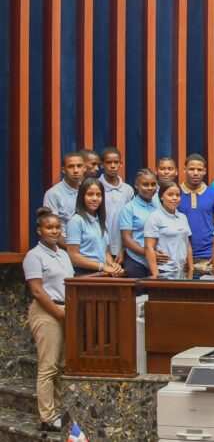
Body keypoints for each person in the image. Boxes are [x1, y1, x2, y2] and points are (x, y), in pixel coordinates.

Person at [23, 209, 73, 433]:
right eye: (49, 228)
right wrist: (59, 314)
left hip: (66, 309)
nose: (54, 231)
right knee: (48, 366)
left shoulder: (63, 253)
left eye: (57, 228)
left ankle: (60, 413)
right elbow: (37, 291)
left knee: (62, 365)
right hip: (46, 311)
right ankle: (47, 417)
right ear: (39, 230)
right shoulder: (34, 256)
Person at [177, 154, 214, 277]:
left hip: (208, 256)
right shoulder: (175, 194)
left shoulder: (213, 194)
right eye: (191, 169)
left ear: (205, 171)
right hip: (180, 256)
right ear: (184, 169)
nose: (195, 173)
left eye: (199, 170)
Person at [66, 178, 123, 276]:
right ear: (82, 196)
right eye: (90, 194)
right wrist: (102, 266)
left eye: (98, 195)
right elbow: (73, 256)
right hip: (84, 275)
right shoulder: (76, 221)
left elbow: (105, 252)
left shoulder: (100, 220)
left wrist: (112, 264)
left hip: (101, 274)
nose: (95, 198)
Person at [144, 181, 194, 280]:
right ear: (161, 197)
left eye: (178, 195)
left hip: (182, 270)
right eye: (170, 195)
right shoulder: (154, 217)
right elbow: (149, 247)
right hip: (164, 271)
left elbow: (187, 244)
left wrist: (191, 268)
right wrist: (155, 274)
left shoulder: (182, 217)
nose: (175, 198)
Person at [120, 169, 162, 279]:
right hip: (136, 261)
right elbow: (126, 239)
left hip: (158, 261)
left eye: (153, 184)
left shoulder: (160, 206)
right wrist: (148, 253)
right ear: (136, 185)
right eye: (145, 184)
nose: (150, 188)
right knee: (138, 295)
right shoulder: (129, 208)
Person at [98, 146, 134, 264]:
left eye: (116, 162)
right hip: (100, 248)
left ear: (121, 163)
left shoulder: (128, 190)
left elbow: (131, 221)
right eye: (109, 162)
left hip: (123, 249)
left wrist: (123, 249)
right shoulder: (95, 187)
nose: (113, 165)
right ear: (102, 164)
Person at [43, 151, 85, 237]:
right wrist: (72, 249)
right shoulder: (53, 194)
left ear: (84, 168)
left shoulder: (88, 191)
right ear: (63, 170)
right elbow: (51, 229)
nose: (76, 170)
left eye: (79, 166)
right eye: (71, 167)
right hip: (65, 245)